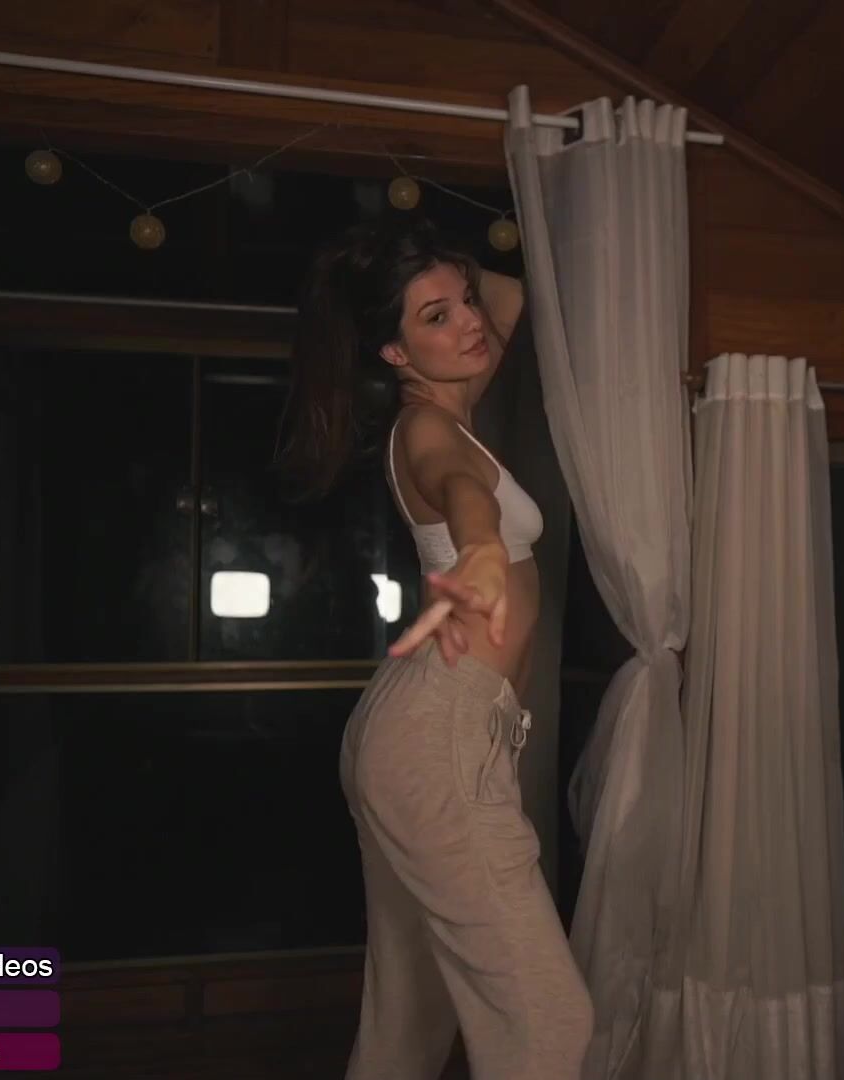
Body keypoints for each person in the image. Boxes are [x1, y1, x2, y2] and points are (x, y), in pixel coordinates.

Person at [277, 217, 593, 1079]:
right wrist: (481, 546)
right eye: (435, 318)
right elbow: (459, 490)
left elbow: (511, 300)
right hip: (436, 735)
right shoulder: (427, 429)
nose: (470, 323)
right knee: (551, 1023)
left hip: (424, 730)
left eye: (462, 304)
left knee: (410, 1024)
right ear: (393, 354)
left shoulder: (456, 402)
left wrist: (420, 265)